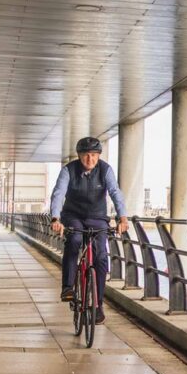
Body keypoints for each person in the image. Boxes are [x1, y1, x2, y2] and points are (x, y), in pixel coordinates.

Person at [49, 137, 128, 324]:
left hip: (97, 217)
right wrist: (55, 218)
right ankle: (68, 287)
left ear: (99, 156)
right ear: (79, 156)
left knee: (101, 256)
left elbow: (115, 192)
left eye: (94, 156)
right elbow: (59, 193)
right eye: (85, 155)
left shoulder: (106, 170)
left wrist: (122, 217)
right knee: (74, 240)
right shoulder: (68, 170)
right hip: (73, 216)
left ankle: (98, 305)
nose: (90, 159)